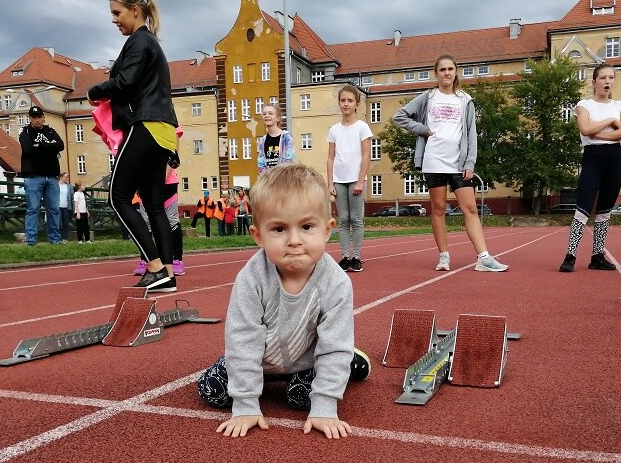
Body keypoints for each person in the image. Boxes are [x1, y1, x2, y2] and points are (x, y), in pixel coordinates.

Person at [196, 164, 371, 438]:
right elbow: (242, 340)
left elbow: (334, 347)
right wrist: (245, 405)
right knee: (211, 391)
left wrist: (325, 406)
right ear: (258, 236)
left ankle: (351, 362)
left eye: (306, 227)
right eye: (279, 229)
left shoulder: (336, 283)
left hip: (305, 360)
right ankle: (256, 383)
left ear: (327, 230)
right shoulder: (251, 279)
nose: (294, 240)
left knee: (303, 399)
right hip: (261, 358)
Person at [87, 0, 179, 292]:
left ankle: (154, 267)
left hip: (146, 126)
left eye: (117, 12)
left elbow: (124, 82)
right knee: (154, 204)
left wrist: (94, 90)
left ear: (134, 10)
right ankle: (167, 273)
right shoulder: (149, 42)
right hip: (163, 131)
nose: (114, 19)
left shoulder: (140, 42)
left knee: (117, 197)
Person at [393, 54, 508, 273]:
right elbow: (400, 116)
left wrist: (470, 163)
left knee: (470, 208)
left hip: (458, 163)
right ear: (436, 73)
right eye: (442, 69)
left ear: (456, 72)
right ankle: (444, 256)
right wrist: (423, 129)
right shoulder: (428, 97)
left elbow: (472, 134)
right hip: (433, 160)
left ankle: (483, 257)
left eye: (450, 69)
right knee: (438, 209)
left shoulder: (465, 100)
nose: (446, 73)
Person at [558, 63, 621, 273]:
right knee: (582, 207)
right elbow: (585, 128)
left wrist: (599, 133)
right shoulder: (584, 104)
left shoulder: (620, 105)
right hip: (593, 158)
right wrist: (610, 121)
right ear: (594, 82)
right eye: (603, 78)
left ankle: (597, 256)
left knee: (605, 210)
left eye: (611, 78)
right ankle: (570, 255)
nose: (607, 82)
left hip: (614, 158)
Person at [326, 85, 372, 272]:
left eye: (350, 101)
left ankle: (357, 257)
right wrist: (330, 182)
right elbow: (330, 157)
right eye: (343, 100)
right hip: (339, 179)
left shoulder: (362, 127)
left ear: (357, 104)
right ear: (339, 104)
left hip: (356, 179)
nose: (346, 104)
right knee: (343, 219)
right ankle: (345, 257)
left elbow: (366, 155)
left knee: (356, 219)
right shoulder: (334, 130)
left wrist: (360, 181)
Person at [19, 106, 64, 246]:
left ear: (43, 118)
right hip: (33, 176)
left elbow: (61, 145)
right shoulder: (25, 132)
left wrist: (38, 145)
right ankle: (31, 240)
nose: (37, 119)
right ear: (30, 118)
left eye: (39, 117)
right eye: (34, 117)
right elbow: (28, 149)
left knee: (54, 210)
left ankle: (55, 240)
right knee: (33, 208)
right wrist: (49, 146)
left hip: (51, 176)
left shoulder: (50, 131)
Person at [258, 104, 296, 173]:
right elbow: (261, 163)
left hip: (283, 178)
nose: (267, 115)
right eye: (264, 114)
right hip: (268, 180)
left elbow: (290, 160)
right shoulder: (262, 141)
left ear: (278, 118)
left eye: (271, 113)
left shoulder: (286, 137)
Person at [58, 172, 73, 242]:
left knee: (66, 223)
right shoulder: (56, 185)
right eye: (66, 177)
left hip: (66, 207)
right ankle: (57, 237)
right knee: (58, 222)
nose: (67, 178)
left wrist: (73, 207)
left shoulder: (69, 186)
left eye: (68, 177)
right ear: (61, 177)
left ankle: (65, 238)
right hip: (58, 206)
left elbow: (72, 197)